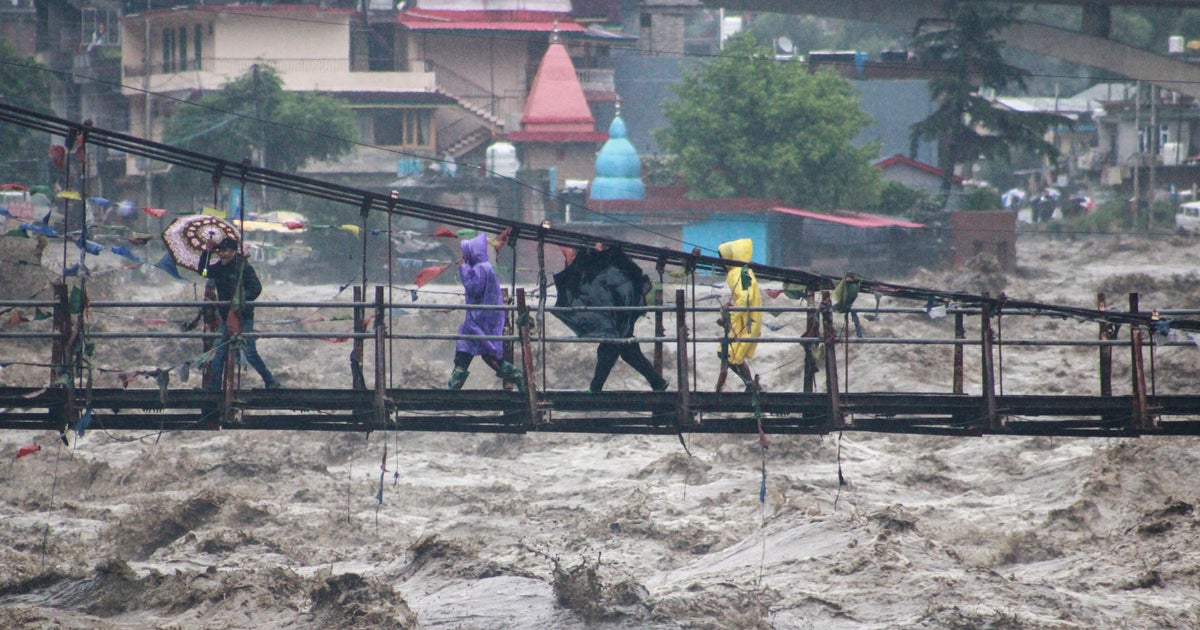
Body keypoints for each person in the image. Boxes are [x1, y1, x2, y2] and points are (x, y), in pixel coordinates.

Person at [552, 244, 668, 393]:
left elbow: (614, 292)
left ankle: (596, 388)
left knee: (610, 347)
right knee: (627, 350)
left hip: (620, 314)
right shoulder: (611, 265)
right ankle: (657, 382)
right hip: (621, 313)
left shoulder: (608, 267)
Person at [447, 233, 525, 391]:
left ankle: (518, 377)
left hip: (481, 319)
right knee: (467, 348)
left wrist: (463, 268)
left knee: (488, 353)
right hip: (478, 318)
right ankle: (453, 386)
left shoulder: (482, 268)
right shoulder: (482, 267)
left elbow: (474, 288)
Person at [201, 236, 278, 390]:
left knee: (249, 352)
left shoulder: (243, 267)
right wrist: (206, 253)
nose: (222, 254)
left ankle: (270, 381)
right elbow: (203, 272)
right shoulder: (218, 268)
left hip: (244, 317)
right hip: (226, 318)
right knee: (218, 351)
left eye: (226, 251)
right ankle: (214, 388)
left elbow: (256, 288)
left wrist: (240, 300)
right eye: (220, 251)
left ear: (234, 252)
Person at [717, 238, 763, 392]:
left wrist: (731, 316)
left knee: (729, 353)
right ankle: (749, 384)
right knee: (729, 352)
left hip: (746, 320)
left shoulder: (736, 272)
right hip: (748, 318)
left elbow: (744, 298)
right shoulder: (745, 270)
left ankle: (750, 384)